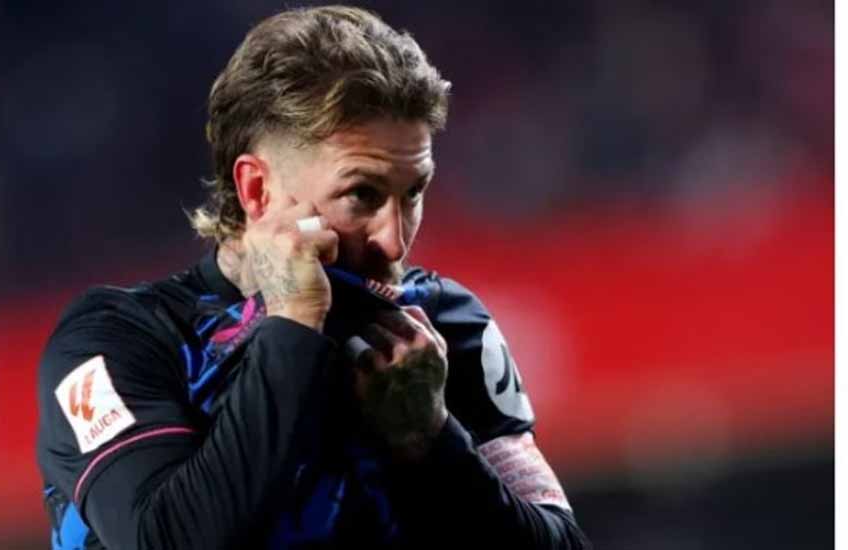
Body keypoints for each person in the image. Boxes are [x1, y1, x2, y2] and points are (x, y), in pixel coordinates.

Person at [37, 6, 590, 549]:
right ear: (257, 190)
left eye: (413, 193)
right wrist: (294, 322)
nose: (395, 242)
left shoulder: (439, 326)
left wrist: (432, 440)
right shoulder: (115, 342)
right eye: (362, 195)